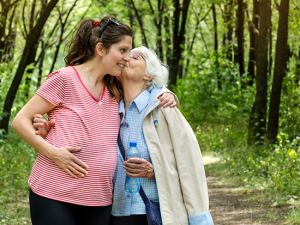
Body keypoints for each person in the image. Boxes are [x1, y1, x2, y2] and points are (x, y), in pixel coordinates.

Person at [11, 16, 175, 225]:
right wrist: (53, 152)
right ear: (100, 49)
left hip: (99, 200)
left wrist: (168, 93)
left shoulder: (115, 87)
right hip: (54, 193)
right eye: (123, 50)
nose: (127, 57)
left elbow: (148, 86)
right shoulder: (64, 79)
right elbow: (20, 121)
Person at [34, 46, 214, 225]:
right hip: (113, 213)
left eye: (136, 57)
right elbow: (85, 135)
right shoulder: (107, 105)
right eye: (126, 54)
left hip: (153, 213)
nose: (127, 58)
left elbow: (189, 165)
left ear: (149, 75)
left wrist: (155, 172)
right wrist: (51, 131)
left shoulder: (163, 108)